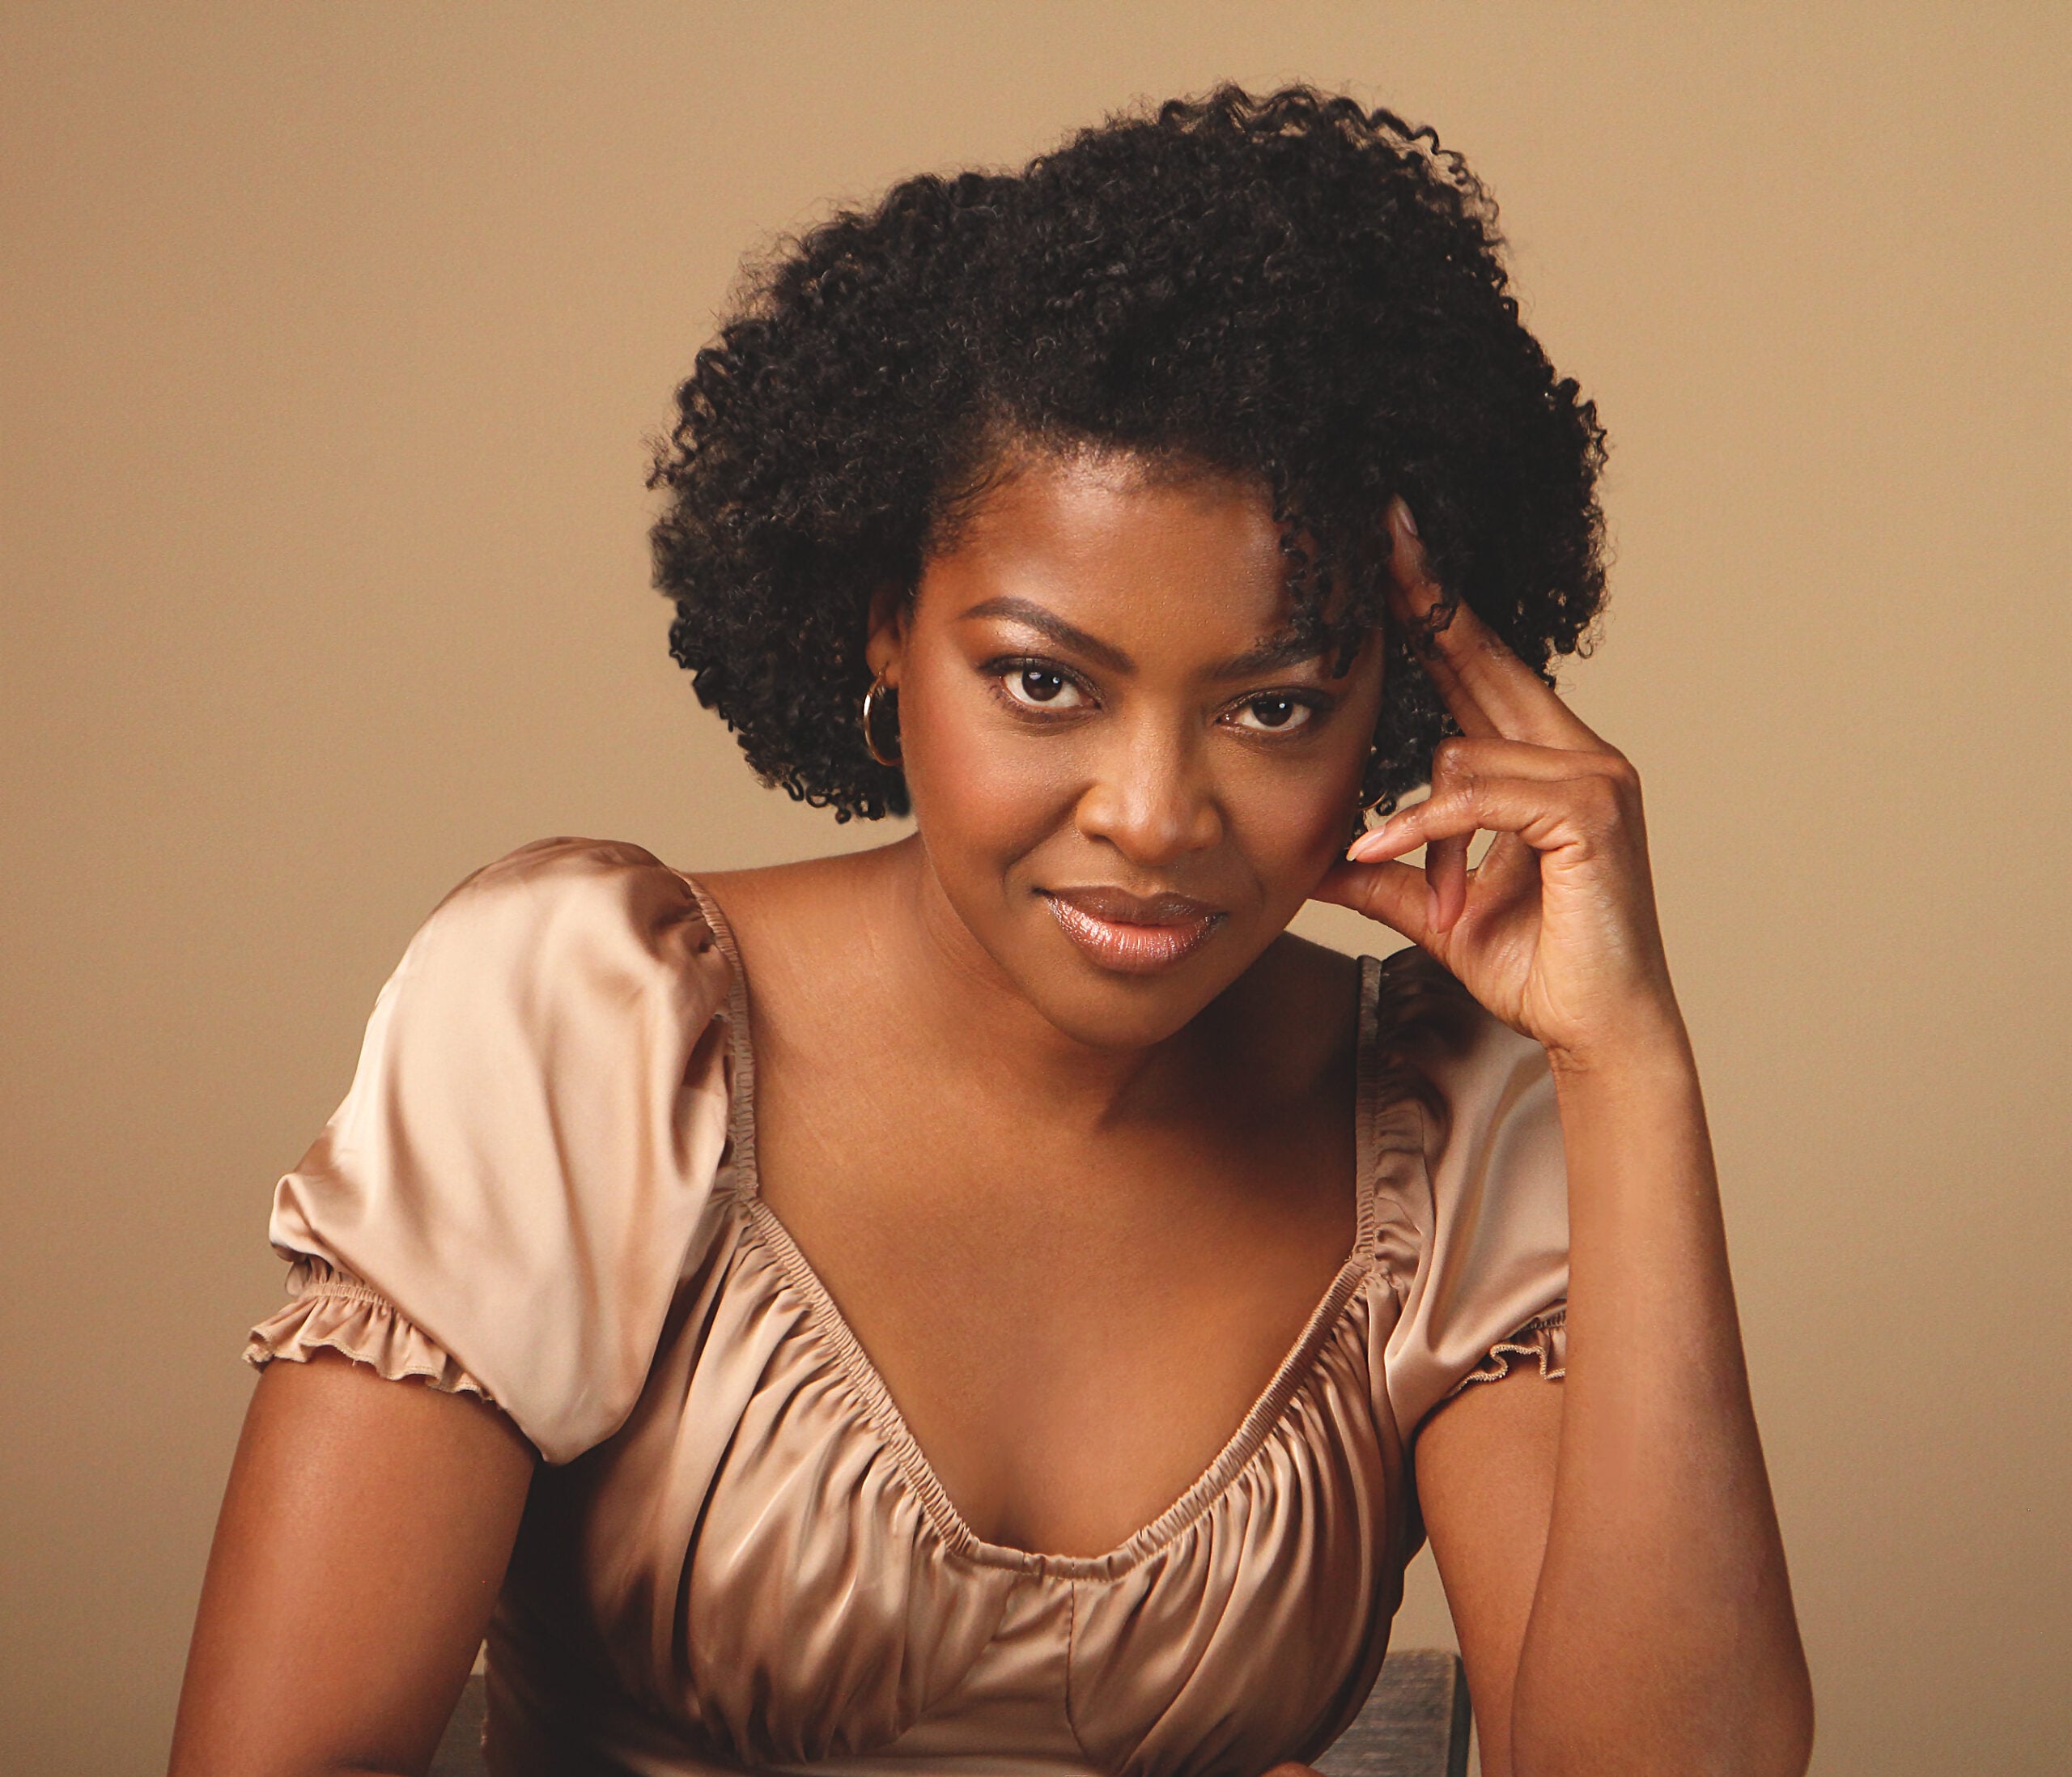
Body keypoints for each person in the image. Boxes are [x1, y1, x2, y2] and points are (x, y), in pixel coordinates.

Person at [169, 85, 1813, 1777]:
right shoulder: (584, 1027)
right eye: (1043, 683)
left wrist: (1627, 1062)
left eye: (1271, 707)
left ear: (1397, 701)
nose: (1152, 817)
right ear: (885, 622)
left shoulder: (1438, 1126)